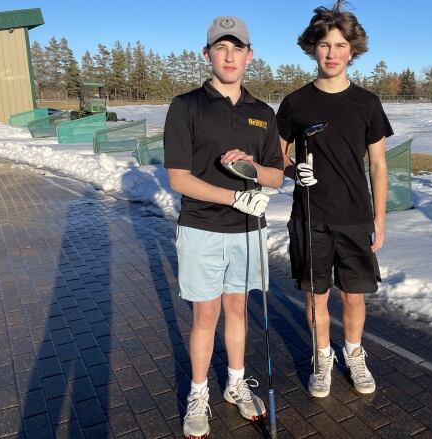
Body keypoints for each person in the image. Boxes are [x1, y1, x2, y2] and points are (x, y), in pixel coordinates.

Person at [163, 15, 284, 438]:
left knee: (237, 309)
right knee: (205, 314)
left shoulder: (261, 113)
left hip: (248, 232)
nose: (229, 56)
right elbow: (178, 178)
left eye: (238, 49)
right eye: (221, 47)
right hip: (201, 228)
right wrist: (234, 195)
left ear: (250, 56)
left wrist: (251, 169)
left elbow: (276, 176)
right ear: (207, 53)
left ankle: (234, 383)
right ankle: (199, 394)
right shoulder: (186, 106)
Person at [277, 0, 393, 399]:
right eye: (325, 45)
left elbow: (378, 165)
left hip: (355, 216)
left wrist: (380, 218)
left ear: (352, 50)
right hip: (310, 215)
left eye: (340, 45)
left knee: (354, 294)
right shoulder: (296, 103)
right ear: (313, 48)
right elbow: (276, 156)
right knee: (316, 294)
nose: (332, 53)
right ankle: (322, 357)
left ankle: (354, 353)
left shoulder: (367, 103)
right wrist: (293, 169)